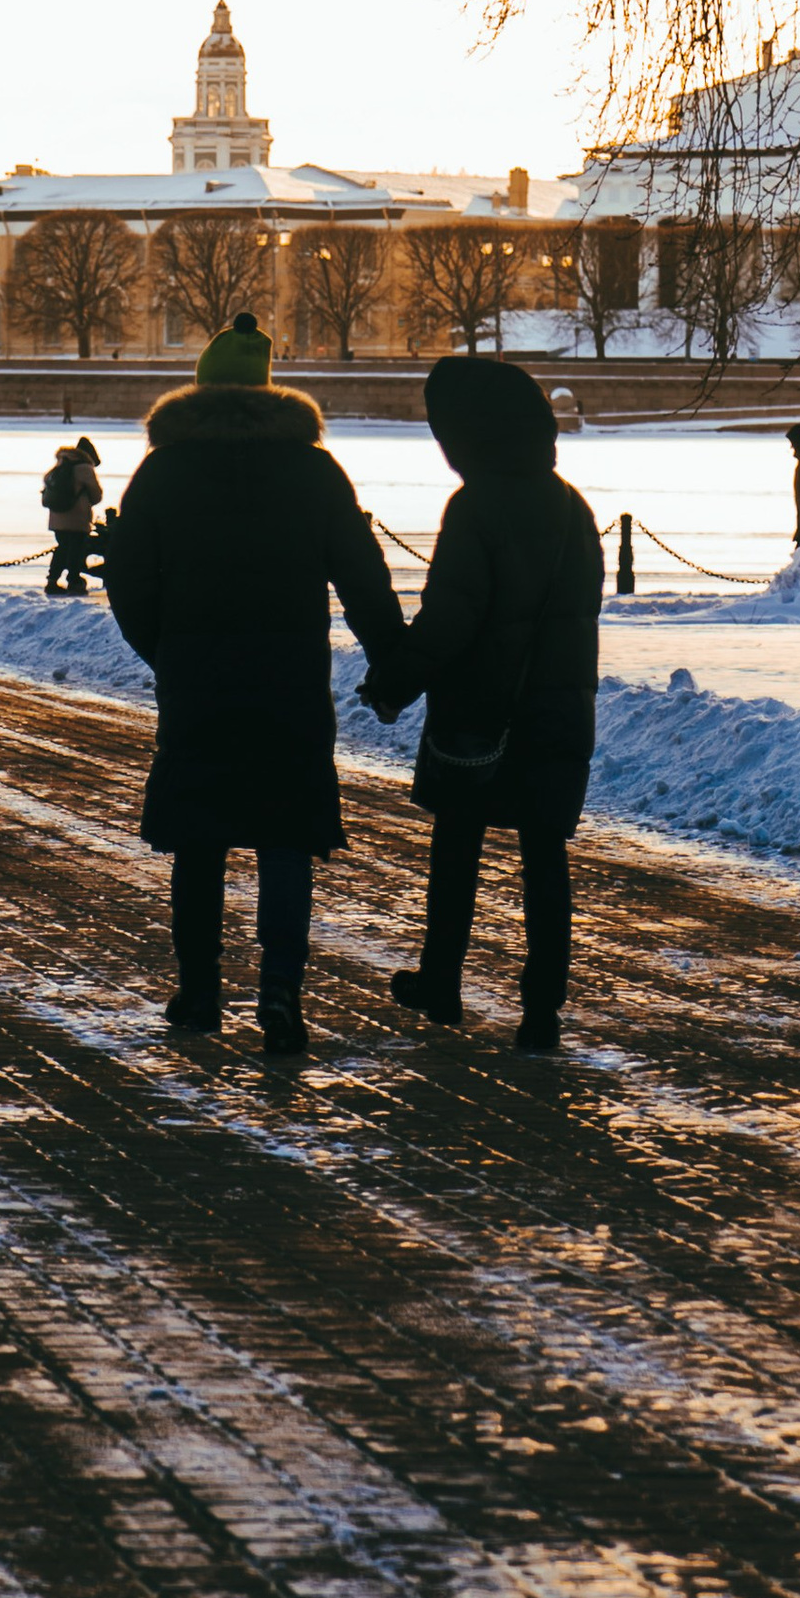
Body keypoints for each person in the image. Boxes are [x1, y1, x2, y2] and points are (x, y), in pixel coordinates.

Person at [104, 313, 403, 1056]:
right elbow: (364, 577)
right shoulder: (313, 470)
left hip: (198, 677)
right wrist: (395, 659)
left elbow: (128, 580)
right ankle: (280, 993)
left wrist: (165, 648)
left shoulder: (164, 470)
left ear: (201, 389)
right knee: (286, 838)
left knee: (199, 841)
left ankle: (200, 991)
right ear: (269, 389)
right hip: (290, 677)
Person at [364, 354, 604, 1055]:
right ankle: (542, 1009)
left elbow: (450, 618)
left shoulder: (476, 506)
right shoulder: (571, 504)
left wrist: (392, 683)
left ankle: (442, 979)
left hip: (481, 711)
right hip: (557, 706)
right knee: (543, 856)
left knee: (457, 846)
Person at [41, 437, 103, 596]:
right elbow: (96, 495)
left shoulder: (61, 463)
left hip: (57, 517)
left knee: (62, 549)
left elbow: (47, 480)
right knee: (76, 549)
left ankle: (52, 581)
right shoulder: (84, 468)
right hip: (78, 518)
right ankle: (74, 581)